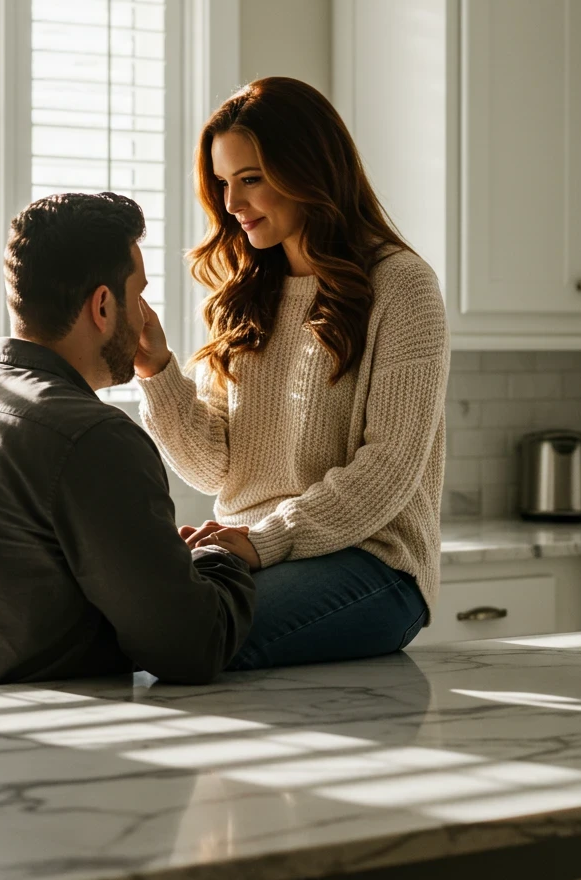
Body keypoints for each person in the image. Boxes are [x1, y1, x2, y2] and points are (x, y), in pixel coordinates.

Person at [0, 192, 255, 694]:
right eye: (137, 296)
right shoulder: (95, 438)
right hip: (43, 756)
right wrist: (219, 558)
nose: (144, 318)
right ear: (101, 305)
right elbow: (191, 648)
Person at [133, 77, 450, 670]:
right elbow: (215, 467)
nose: (231, 204)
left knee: (183, 635)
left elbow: (390, 468)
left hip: (371, 562)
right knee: (130, 616)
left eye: (250, 179)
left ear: (312, 169)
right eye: (224, 184)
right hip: (253, 551)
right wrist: (155, 369)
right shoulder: (246, 295)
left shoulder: (402, 287)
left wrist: (263, 541)